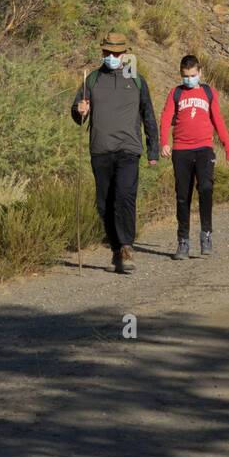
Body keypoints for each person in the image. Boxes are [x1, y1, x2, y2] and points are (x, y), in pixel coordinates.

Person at [71, 31, 159, 274]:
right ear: (102, 52)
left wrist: (153, 149)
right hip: (100, 150)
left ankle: (127, 247)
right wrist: (80, 109)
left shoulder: (137, 80)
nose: (112, 56)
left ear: (124, 54)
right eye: (108, 52)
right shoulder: (92, 80)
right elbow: (78, 115)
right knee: (104, 204)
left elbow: (148, 115)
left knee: (124, 197)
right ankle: (115, 250)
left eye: (117, 53)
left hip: (129, 150)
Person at [159, 54, 229, 259]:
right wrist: (164, 142)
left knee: (206, 189)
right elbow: (166, 117)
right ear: (180, 74)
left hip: (204, 149)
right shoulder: (175, 93)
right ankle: (183, 240)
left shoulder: (208, 92)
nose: (189, 79)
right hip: (181, 150)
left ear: (200, 73)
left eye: (193, 75)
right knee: (183, 196)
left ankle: (206, 234)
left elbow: (218, 121)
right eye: (185, 76)